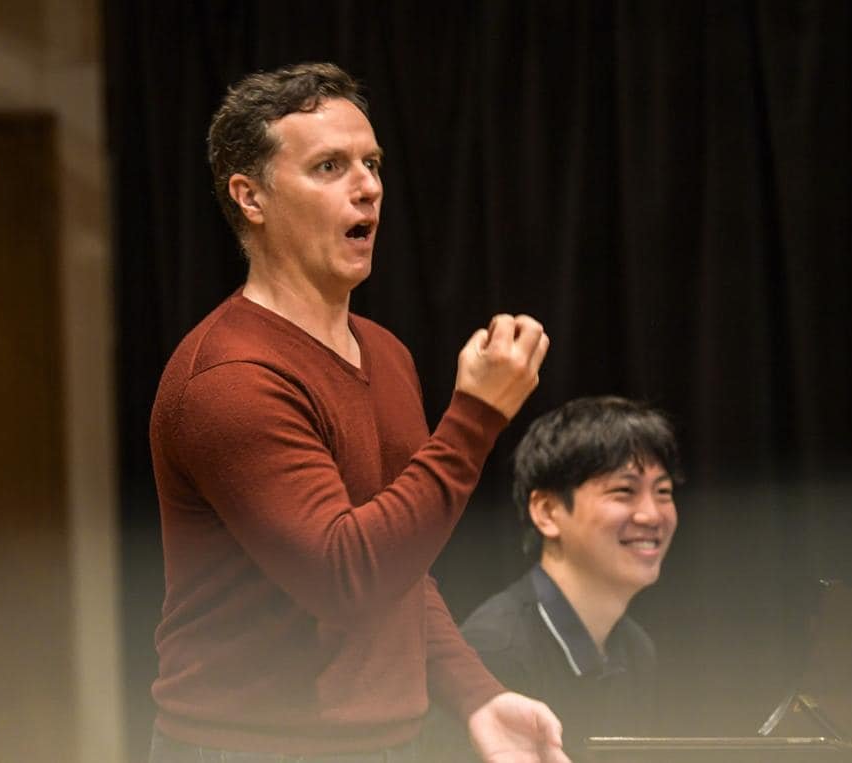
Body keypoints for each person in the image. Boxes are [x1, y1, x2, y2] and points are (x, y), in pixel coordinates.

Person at [147, 61, 568, 763]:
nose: (369, 185)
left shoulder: (385, 353)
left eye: (371, 162)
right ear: (250, 198)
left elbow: (401, 569)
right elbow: (348, 576)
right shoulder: (230, 378)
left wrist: (477, 694)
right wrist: (475, 416)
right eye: (330, 166)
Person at [435, 396, 683, 760]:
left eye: (663, 492)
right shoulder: (493, 653)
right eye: (624, 491)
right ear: (547, 511)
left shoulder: (636, 648)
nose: (651, 514)